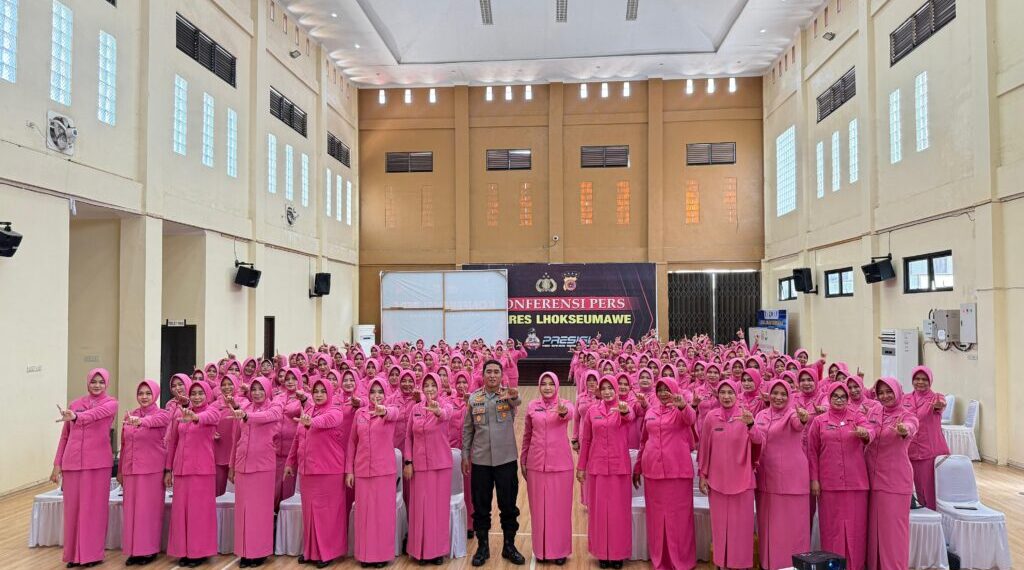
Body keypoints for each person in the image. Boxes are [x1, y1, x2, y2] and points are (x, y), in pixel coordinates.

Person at [461, 360, 527, 566]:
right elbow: (468, 429)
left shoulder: (508, 395)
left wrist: (514, 395)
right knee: (481, 507)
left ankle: (509, 546)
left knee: (508, 506)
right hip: (481, 461)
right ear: (482, 375)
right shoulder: (474, 398)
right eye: (488, 372)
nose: (492, 375)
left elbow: (517, 401)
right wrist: (465, 455)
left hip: (506, 460)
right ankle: (483, 547)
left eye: (496, 372)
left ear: (501, 375)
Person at [51, 368, 118, 569]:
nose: (97, 385)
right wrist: (57, 465)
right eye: (93, 381)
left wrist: (76, 417)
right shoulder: (74, 404)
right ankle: (73, 555)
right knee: (72, 511)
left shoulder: (111, 403)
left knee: (94, 510)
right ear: (87, 382)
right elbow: (65, 436)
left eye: (101, 382)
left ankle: (92, 554)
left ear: (106, 384)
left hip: (97, 464)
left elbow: (94, 415)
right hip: (72, 463)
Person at [808, 382, 874, 570]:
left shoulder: (857, 417)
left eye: (843, 396)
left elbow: (870, 430)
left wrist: (865, 433)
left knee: (856, 530)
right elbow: (812, 452)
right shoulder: (819, 421)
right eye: (835, 396)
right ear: (829, 398)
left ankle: (856, 566)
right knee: (831, 530)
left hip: (856, 485)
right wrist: (814, 479)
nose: (839, 400)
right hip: (829, 485)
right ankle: (833, 566)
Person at [633, 377, 698, 570]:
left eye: (666, 389)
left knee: (679, 518)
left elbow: (691, 419)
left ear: (675, 390)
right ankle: (659, 559)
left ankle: (681, 560)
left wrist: (683, 405)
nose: (663, 393)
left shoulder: (680, 411)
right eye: (659, 390)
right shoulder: (651, 412)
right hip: (653, 472)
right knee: (656, 518)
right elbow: (644, 441)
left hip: (677, 472)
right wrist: (638, 467)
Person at [286, 377, 348, 568]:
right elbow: (297, 439)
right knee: (310, 513)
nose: (319, 395)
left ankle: (328, 552)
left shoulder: (335, 410)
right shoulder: (308, 411)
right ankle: (311, 551)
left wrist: (311, 421)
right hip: (308, 471)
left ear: (329, 393)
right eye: (316, 391)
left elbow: (328, 420)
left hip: (328, 471)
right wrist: (290, 462)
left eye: (322, 391)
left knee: (327, 514)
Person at [750, 378, 810, 570]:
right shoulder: (761, 415)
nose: (778, 397)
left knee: (791, 526)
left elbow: (798, 424)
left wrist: (803, 419)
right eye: (775, 393)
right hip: (765, 477)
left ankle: (791, 566)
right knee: (768, 524)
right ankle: (768, 564)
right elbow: (755, 439)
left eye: (783, 394)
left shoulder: (792, 414)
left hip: (791, 480)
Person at [698, 379, 756, 570]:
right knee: (720, 525)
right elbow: (704, 448)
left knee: (742, 526)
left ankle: (740, 564)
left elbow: (758, 443)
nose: (726, 396)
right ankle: (721, 563)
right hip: (717, 481)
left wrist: (751, 425)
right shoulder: (711, 417)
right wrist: (703, 474)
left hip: (744, 479)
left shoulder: (746, 415)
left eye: (730, 392)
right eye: (722, 392)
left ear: (737, 394)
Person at [577, 376, 634, 569]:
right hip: (598, 468)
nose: (607, 391)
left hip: (619, 469)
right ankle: (602, 552)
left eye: (611, 388)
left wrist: (625, 411)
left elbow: (629, 417)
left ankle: (618, 553)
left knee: (619, 513)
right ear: (599, 391)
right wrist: (581, 467)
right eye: (604, 388)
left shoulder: (623, 408)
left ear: (616, 389)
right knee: (599, 512)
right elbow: (586, 440)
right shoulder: (593, 411)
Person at [165, 379, 221, 567]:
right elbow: (173, 442)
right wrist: (168, 469)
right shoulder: (180, 413)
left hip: (201, 471)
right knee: (181, 512)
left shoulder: (212, 410)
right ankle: (183, 550)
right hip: (181, 470)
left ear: (207, 395)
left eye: (200, 393)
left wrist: (195, 417)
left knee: (199, 513)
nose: (197, 397)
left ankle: (198, 552)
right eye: (193, 393)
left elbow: (210, 417)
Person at [520, 372, 574, 565]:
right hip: (536, 465)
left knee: (559, 510)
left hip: (560, 466)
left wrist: (562, 412)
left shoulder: (565, 404)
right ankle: (541, 551)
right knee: (538, 510)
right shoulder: (532, 406)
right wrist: (523, 458)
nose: (548, 387)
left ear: (557, 385)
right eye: (544, 384)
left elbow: (569, 413)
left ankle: (559, 551)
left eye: (551, 384)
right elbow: (527, 434)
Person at [866, 377, 919, 570]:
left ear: (897, 392)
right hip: (872, 479)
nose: (885, 396)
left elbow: (911, 427)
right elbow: (867, 429)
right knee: (875, 530)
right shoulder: (874, 411)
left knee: (893, 532)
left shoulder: (907, 415)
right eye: (881, 392)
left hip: (895, 481)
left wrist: (904, 430)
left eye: (889, 391)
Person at [347, 378, 401, 568]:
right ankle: (364, 555)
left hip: (383, 472)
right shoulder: (360, 413)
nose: (376, 395)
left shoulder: (391, 410)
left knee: (382, 515)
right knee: (364, 515)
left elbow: (393, 413)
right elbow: (352, 442)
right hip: (362, 471)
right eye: (372, 391)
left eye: (380, 392)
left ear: (385, 394)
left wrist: (383, 411)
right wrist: (349, 470)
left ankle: (381, 556)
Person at [229, 376, 282, 568]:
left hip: (262, 467)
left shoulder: (274, 407)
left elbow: (267, 417)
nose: (257, 392)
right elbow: (236, 439)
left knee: (260, 511)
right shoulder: (245, 408)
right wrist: (232, 466)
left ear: (268, 390)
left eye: (261, 389)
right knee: (243, 511)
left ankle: (259, 552)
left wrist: (245, 416)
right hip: (243, 465)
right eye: (254, 389)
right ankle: (245, 551)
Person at [403, 373, 453, 565]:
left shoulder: (445, 404)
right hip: (419, 467)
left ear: (439, 387)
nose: (430, 388)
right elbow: (408, 437)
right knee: (420, 509)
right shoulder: (415, 409)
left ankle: (437, 551)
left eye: (433, 385)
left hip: (440, 466)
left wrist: (437, 411)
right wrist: (408, 461)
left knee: (437, 510)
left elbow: (446, 414)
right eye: (427, 385)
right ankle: (419, 551)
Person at [119, 379, 170, 566]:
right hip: (131, 469)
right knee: (131, 511)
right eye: (141, 393)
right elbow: (124, 444)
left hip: (151, 471)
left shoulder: (162, 415)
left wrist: (141, 421)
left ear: (155, 395)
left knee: (148, 512)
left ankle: (148, 550)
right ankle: (133, 550)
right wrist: (121, 470)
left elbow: (156, 423)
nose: (144, 397)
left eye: (148, 393)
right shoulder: (130, 415)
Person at [903, 366, 949, 510]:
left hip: (929, 452)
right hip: (910, 451)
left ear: (930, 381)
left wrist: (939, 405)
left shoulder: (936, 397)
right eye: (917, 379)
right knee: (914, 490)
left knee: (929, 492)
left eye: (924, 379)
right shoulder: (905, 398)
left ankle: (934, 518)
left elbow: (941, 404)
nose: (920, 382)